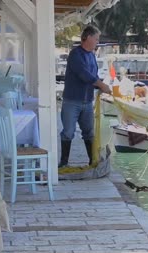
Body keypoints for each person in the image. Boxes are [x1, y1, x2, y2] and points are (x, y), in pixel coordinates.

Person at [59, 25, 111, 167]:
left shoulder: (92, 56)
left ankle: (92, 161)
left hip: (87, 101)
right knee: (68, 132)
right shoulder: (75, 54)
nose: (97, 42)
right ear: (87, 38)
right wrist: (101, 85)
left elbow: (93, 76)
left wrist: (100, 85)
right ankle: (63, 163)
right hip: (72, 101)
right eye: (96, 39)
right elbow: (85, 75)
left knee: (89, 133)